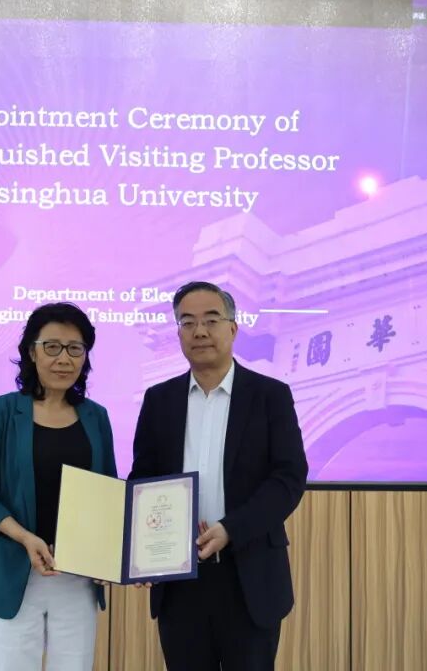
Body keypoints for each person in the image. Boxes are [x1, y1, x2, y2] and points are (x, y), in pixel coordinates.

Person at [130, 281, 308, 670]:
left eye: (211, 320)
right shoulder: (159, 400)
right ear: (178, 332)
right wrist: (142, 547)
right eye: (187, 322)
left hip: (249, 574)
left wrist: (231, 529)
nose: (200, 331)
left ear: (233, 328)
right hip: (179, 576)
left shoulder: (270, 395)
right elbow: (142, 480)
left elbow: (289, 477)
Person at [0, 302, 117, 671]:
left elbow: (110, 495)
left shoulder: (96, 417)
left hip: (77, 578)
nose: (64, 358)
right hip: (15, 574)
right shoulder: (1, 412)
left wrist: (110, 555)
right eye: (52, 347)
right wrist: (25, 538)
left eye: (75, 348)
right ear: (31, 352)